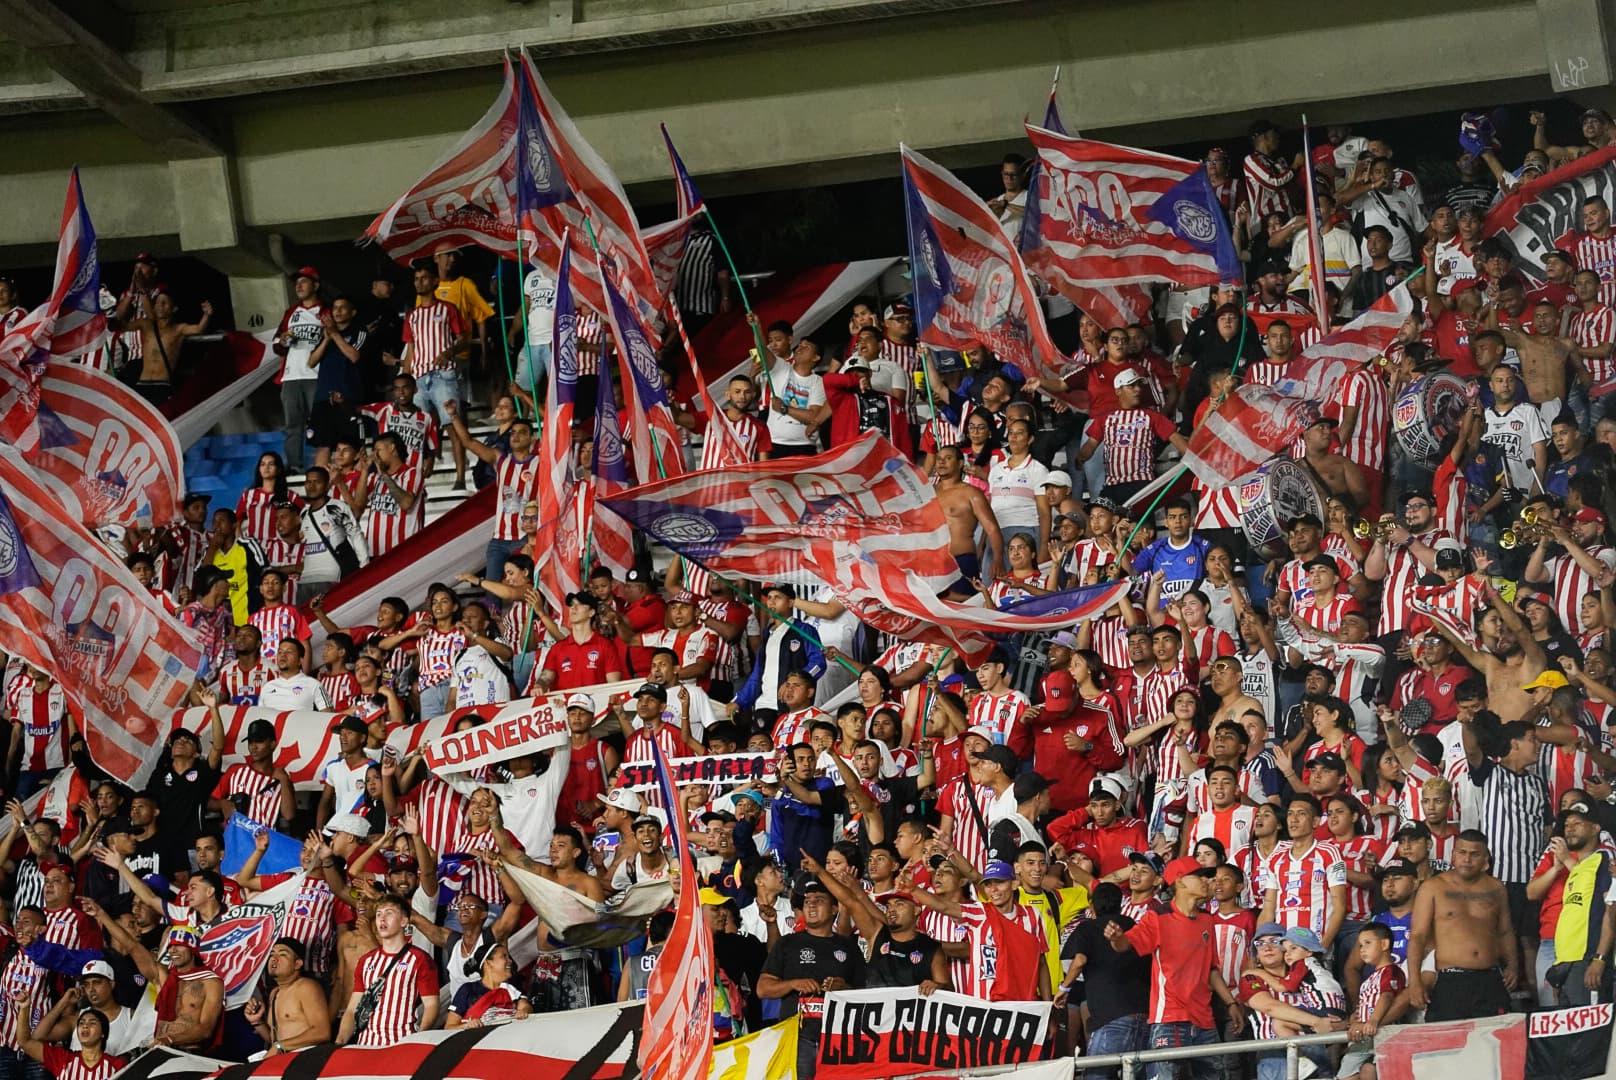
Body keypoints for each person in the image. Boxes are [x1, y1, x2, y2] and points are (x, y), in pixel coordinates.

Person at [1105, 856, 1244, 1077]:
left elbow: (1211, 969)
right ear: (1179, 881)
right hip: (1169, 1019)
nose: (1207, 881)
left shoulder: (1207, 919)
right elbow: (1126, 944)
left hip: (1204, 1019)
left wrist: (1231, 1003)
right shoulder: (1157, 917)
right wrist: (1115, 938)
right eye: (1199, 876)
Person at [1407, 831, 1518, 1020]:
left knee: (1494, 1043)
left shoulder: (1496, 888)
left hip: (1489, 978)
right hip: (1451, 979)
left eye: (1474, 854)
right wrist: (1415, 981)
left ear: (1485, 859)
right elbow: (1418, 936)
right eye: (1462, 852)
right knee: (1449, 1045)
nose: (1467, 859)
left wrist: (1513, 966)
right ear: (1453, 855)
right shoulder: (1433, 887)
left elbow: (1505, 931)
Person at [244, 938, 332, 1053]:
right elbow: (274, 1041)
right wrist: (257, 1022)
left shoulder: (306, 987)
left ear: (297, 964)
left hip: (307, 1061)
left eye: (282, 954)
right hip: (285, 1063)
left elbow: (322, 1032)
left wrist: (279, 1046)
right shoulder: (274, 993)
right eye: (272, 954)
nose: (274, 959)